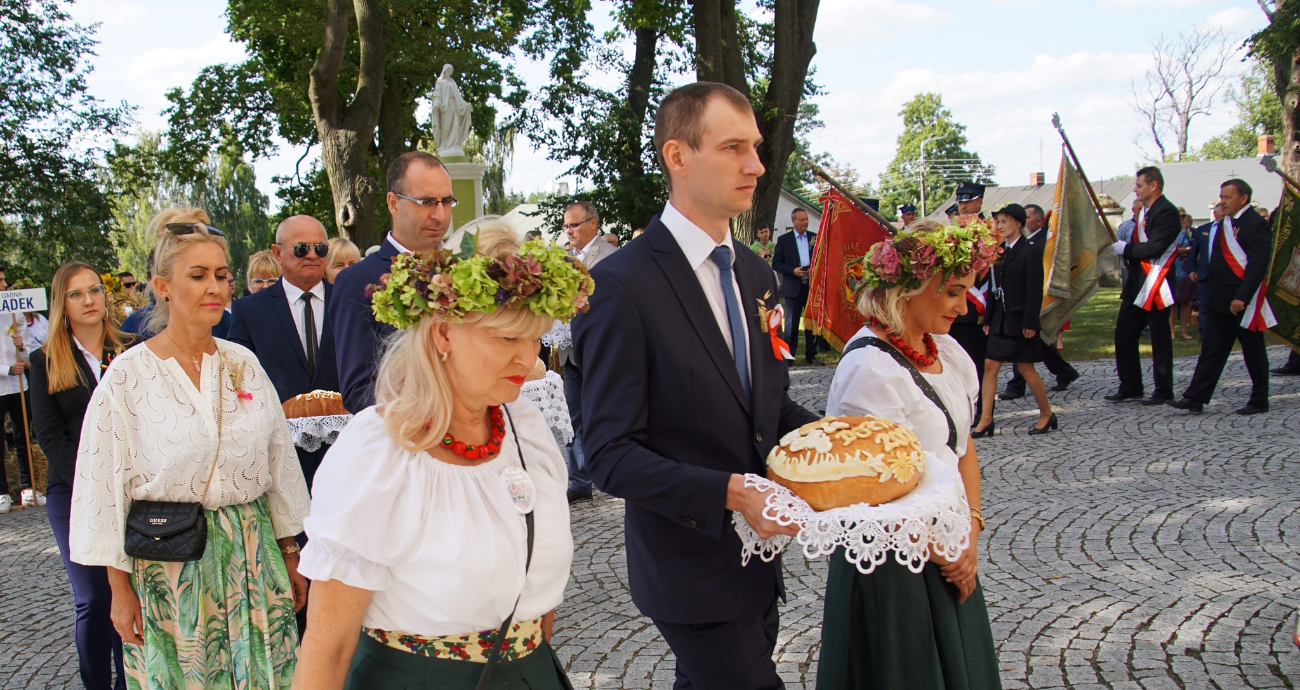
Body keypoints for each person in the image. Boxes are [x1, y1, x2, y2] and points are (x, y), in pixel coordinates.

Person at [573, 81, 820, 690]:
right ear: (678, 157)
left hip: (758, 565)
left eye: (757, 147)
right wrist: (732, 494)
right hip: (685, 566)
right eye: (734, 147)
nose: (757, 165)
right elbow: (607, 456)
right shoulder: (622, 286)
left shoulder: (757, 272)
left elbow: (767, 406)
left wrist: (838, 438)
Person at [292, 223, 587, 689]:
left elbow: (537, 597)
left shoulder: (525, 426)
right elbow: (328, 650)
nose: (528, 359)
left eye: (535, 339)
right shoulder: (380, 450)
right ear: (444, 334)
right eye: (507, 340)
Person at [69, 208, 311, 688]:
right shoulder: (128, 377)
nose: (215, 288)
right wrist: (120, 589)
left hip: (253, 553)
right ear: (162, 286)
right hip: (169, 564)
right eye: (198, 276)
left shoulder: (243, 362)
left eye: (221, 275)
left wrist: (289, 550)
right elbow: (103, 488)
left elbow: (279, 462)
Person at [819, 220, 1001, 690]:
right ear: (908, 291)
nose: (965, 306)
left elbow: (962, 447)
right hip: (896, 561)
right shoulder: (870, 367)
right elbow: (880, 489)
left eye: (967, 292)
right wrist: (949, 554)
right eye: (954, 292)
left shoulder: (946, 351)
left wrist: (971, 534)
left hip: (950, 548)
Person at [29, 262, 134, 690]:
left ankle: (135, 680)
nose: (89, 300)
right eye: (77, 294)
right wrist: (95, 482)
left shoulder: (129, 349)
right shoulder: (45, 361)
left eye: (94, 290)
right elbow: (48, 435)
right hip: (73, 492)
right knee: (94, 598)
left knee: (133, 594)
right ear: (62, 304)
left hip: (133, 489)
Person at [330, 151, 453, 412]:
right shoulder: (357, 281)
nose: (440, 215)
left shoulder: (465, 270)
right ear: (394, 203)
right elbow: (358, 392)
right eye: (427, 202)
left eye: (447, 201)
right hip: (406, 439)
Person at [229, 215, 340, 489]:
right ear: (278, 253)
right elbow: (238, 382)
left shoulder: (348, 301)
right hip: (279, 454)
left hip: (343, 453)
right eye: (302, 248)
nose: (312, 255)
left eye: (321, 249)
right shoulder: (250, 311)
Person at [1168, 180, 1273, 415]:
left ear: (1243, 198)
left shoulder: (1255, 223)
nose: (1222, 202)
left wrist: (1242, 297)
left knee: (1253, 351)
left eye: (1227, 197)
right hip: (1218, 299)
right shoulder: (1224, 223)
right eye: (1221, 197)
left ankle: (1259, 400)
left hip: (1240, 300)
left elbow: (1257, 265)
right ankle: (1196, 397)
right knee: (1212, 350)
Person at [972, 203, 1056, 437]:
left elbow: (1033, 289)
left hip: (1020, 320)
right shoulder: (1000, 252)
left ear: (1018, 223)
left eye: (1004, 221)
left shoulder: (1029, 250)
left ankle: (1046, 413)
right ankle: (986, 419)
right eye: (998, 222)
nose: (999, 226)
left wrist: (1030, 323)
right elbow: (995, 288)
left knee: (1026, 369)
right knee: (990, 366)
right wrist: (988, 318)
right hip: (1000, 319)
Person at [556, 200, 617, 504]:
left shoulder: (611, 255)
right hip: (570, 349)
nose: (569, 231)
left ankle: (609, 470)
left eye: (574, 224)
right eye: (566, 225)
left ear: (592, 223)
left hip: (600, 348)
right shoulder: (563, 258)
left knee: (604, 413)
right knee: (573, 416)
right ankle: (579, 480)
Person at [1107, 166, 1179, 404]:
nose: (1135, 189)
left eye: (1139, 185)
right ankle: (1131, 385)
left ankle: (1163, 389)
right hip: (1138, 282)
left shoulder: (1166, 212)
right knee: (1124, 334)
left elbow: (1155, 248)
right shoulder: (1145, 212)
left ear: (1153, 185)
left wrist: (1126, 248)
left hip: (1157, 281)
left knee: (1159, 337)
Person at [999, 204, 1080, 399]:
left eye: (1027, 218)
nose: (1023, 221)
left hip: (1038, 294)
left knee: (1024, 340)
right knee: (1036, 340)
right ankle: (1065, 371)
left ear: (1039, 220)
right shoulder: (1024, 241)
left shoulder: (1044, 241)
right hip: (1023, 295)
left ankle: (1017, 385)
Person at [947, 183, 992, 425]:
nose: (963, 205)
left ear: (979, 202)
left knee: (976, 362)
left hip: (976, 308)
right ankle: (960, 407)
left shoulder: (989, 230)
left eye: (968, 200)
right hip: (954, 308)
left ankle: (982, 410)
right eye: (960, 200)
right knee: (954, 361)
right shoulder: (953, 229)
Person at [0, 266, 38, 509]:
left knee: (24, 435)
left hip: (18, 384)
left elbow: (27, 347)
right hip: (2, 381)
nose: (4, 285)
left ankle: (27, 487)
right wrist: (5, 369)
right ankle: (3, 492)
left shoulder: (15, 313)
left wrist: (20, 346)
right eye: (0, 281)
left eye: (4, 280)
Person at [773, 207, 819, 363]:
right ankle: (789, 357)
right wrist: (793, 271)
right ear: (794, 221)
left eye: (806, 219)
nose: (805, 222)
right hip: (793, 286)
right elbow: (777, 264)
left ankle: (811, 356)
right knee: (791, 324)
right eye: (802, 220)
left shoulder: (814, 238)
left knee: (811, 322)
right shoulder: (784, 240)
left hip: (811, 286)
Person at [1188, 204, 1221, 339]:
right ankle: (1204, 333)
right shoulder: (1203, 230)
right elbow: (1193, 252)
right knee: (1205, 305)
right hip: (1204, 274)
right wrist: (1192, 269)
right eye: (1221, 213)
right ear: (1215, 214)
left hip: (1221, 275)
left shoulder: (1231, 230)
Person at [1173, 209, 1198, 340]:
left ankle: (1184, 330)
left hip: (1187, 267)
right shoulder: (1172, 232)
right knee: (1173, 301)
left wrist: (1185, 251)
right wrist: (1185, 250)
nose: (1182, 218)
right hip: (1175, 267)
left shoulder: (1191, 232)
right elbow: (1171, 250)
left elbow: (1195, 247)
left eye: (1184, 215)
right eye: (1180, 216)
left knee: (1186, 301)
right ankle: (1171, 330)